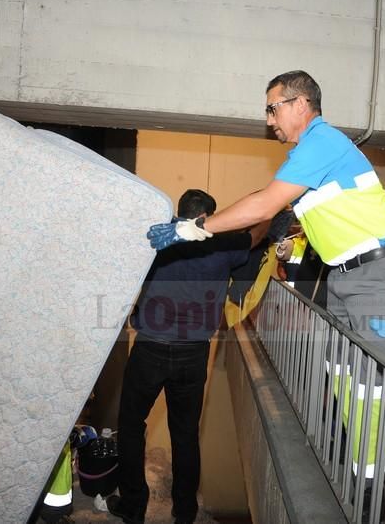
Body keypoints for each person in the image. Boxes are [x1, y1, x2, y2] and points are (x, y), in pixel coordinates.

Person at [147, 70, 385, 480]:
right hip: (347, 275)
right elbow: (301, 214)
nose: (269, 120)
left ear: (300, 104)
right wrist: (295, 244)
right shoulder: (309, 154)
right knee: (343, 372)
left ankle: (372, 484)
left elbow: (262, 205)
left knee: (369, 383)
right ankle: (355, 460)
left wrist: (193, 227)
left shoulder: (322, 142)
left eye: (273, 108)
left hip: (376, 274)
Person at [107, 189, 269, 524]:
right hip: (193, 355)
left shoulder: (159, 240)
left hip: (149, 348)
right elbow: (255, 235)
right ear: (209, 217)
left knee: (131, 427)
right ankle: (184, 514)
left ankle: (134, 507)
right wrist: (268, 211)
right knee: (185, 435)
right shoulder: (222, 246)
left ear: (179, 213)